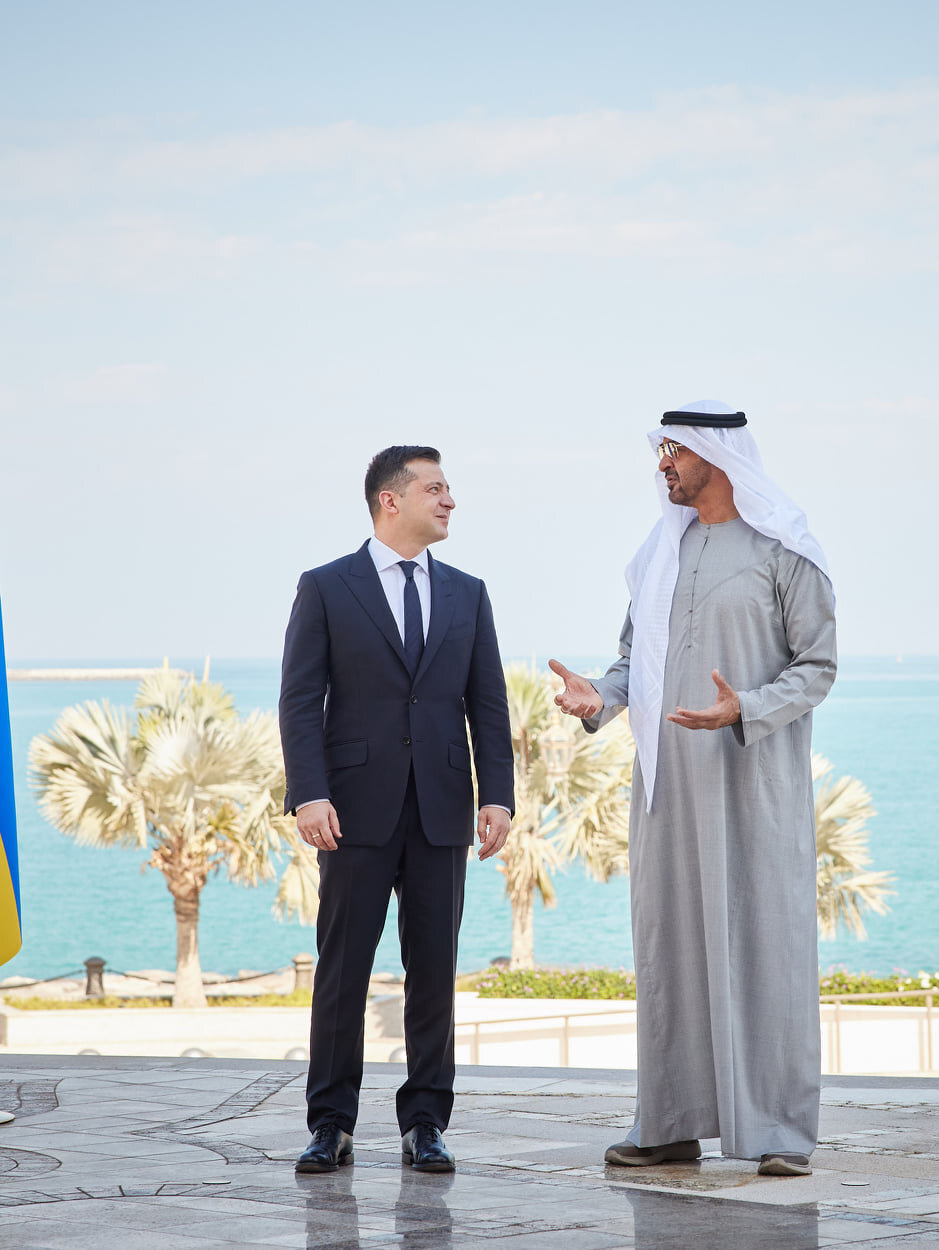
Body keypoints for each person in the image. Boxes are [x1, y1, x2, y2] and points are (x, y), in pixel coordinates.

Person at [549, 401, 836, 1177]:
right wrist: (598, 698)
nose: (663, 465)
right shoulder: (658, 555)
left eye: (674, 451)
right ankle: (668, 1124)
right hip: (666, 788)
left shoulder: (785, 550)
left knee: (765, 944)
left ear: (718, 453)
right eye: (661, 452)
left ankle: (778, 1132)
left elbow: (817, 667)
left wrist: (745, 708)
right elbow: (631, 661)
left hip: (753, 784)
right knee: (668, 947)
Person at [280, 445, 514, 1174]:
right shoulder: (326, 587)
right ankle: (331, 1124)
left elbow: (487, 702)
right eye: (435, 488)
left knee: (433, 973)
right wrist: (309, 791)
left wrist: (497, 794)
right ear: (392, 499)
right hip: (352, 811)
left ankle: (426, 1124)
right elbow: (299, 699)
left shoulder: (469, 593)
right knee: (342, 972)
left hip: (442, 808)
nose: (449, 501)